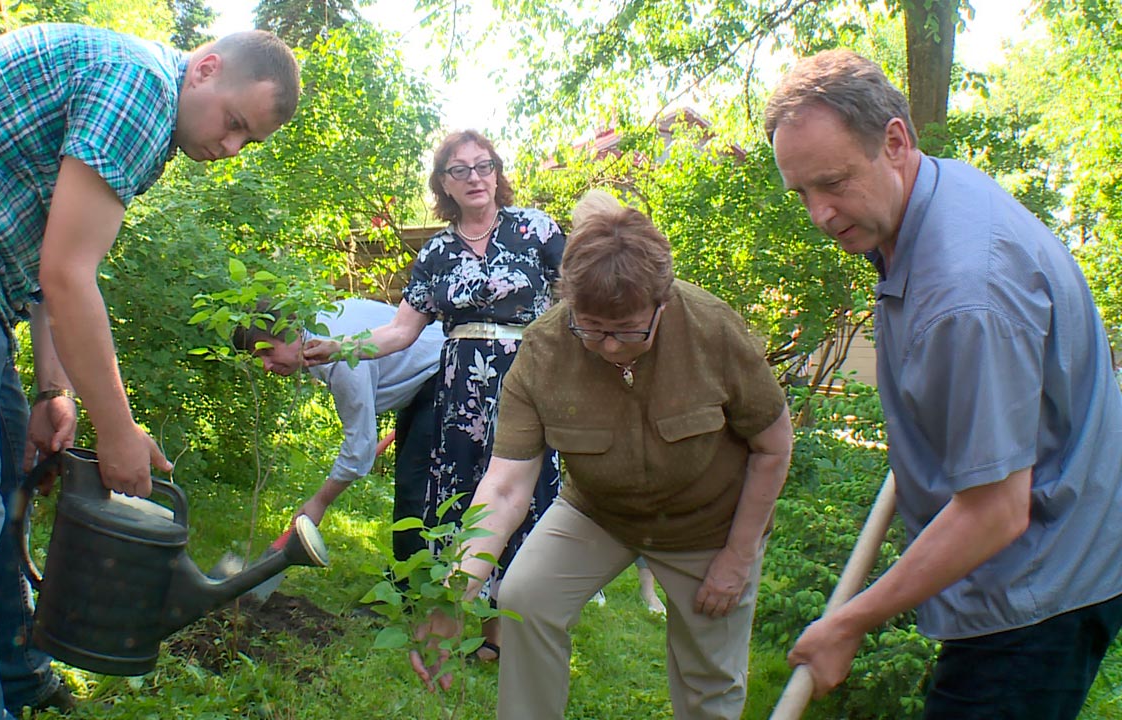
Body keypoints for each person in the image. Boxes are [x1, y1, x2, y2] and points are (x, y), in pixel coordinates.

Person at [0, 23, 299, 720]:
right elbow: (68, 275)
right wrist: (118, 432)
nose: (229, 148)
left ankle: (17, 679)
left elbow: (52, 252)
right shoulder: (142, 91)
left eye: (248, 142)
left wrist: (53, 389)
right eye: (234, 123)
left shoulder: (142, 100)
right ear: (205, 69)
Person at [766, 49, 1122, 717]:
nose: (821, 213)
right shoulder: (916, 204)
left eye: (834, 182)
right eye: (804, 192)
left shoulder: (967, 290)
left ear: (895, 141)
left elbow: (995, 510)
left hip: (1046, 577)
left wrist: (848, 622)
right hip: (1036, 538)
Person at [410, 189, 794, 720]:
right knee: (525, 597)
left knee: (711, 681)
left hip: (710, 527)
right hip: (599, 512)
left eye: (626, 330)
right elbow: (503, 489)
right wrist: (453, 596)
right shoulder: (543, 350)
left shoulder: (712, 328)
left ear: (663, 302)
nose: (607, 346)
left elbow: (773, 446)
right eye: (589, 328)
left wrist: (738, 558)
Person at [304, 129, 564, 660]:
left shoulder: (536, 229)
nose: (475, 177)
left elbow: (577, 295)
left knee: (523, 495)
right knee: (466, 500)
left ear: (497, 172)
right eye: (460, 169)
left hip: (526, 380)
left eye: (483, 165)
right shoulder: (437, 253)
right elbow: (400, 332)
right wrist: (338, 347)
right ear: (444, 184)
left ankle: (504, 635)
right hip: (459, 393)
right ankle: (455, 617)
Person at [232, 297, 446, 562]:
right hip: (424, 385)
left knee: (416, 489)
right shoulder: (319, 331)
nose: (265, 367)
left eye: (267, 352)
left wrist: (319, 501)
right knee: (411, 484)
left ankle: (413, 595)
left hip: (446, 375)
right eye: (257, 358)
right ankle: (409, 588)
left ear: (291, 332)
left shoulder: (338, 354)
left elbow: (360, 446)